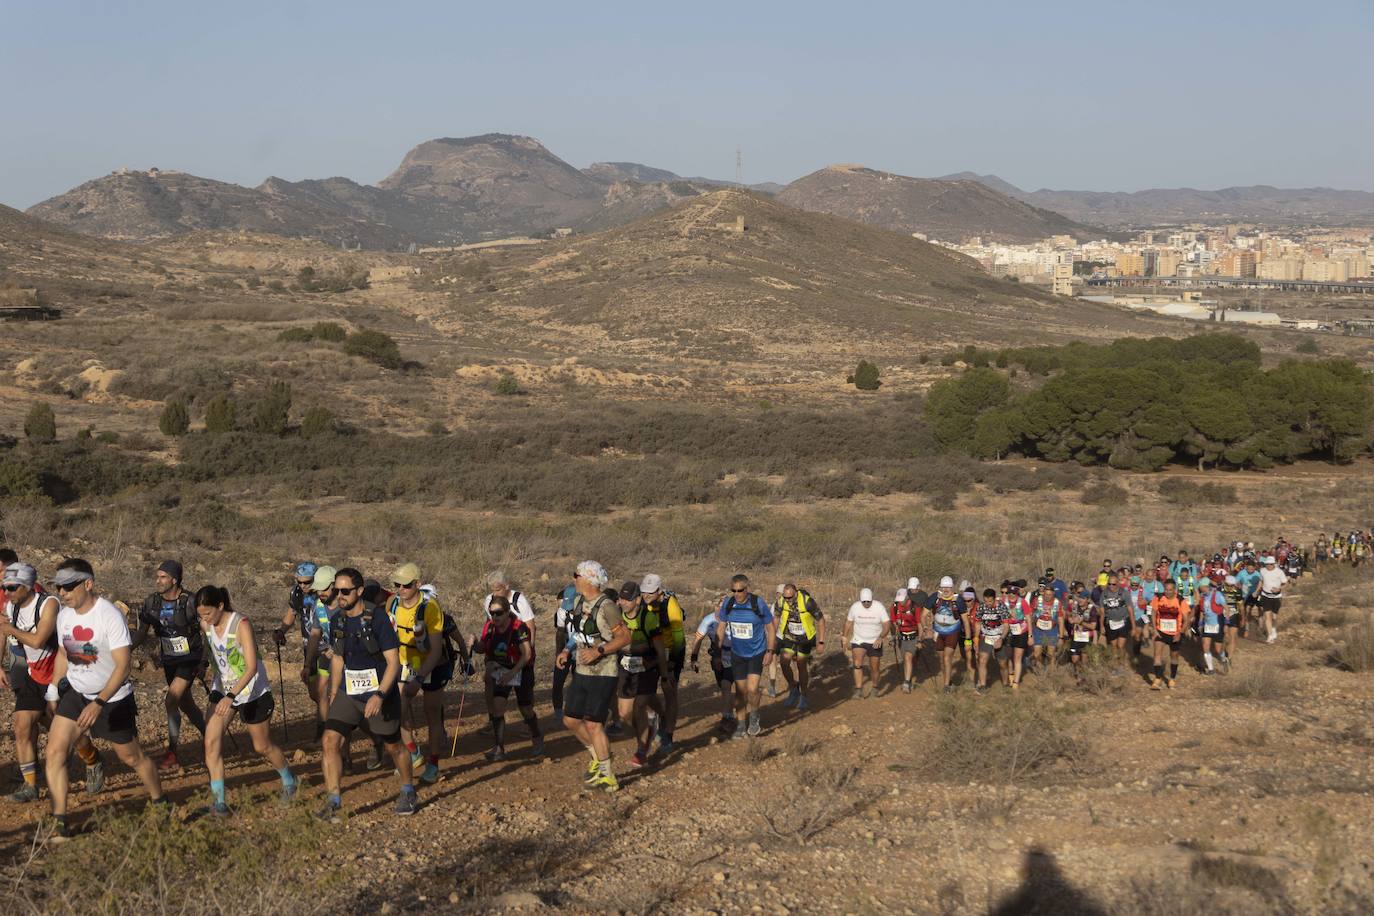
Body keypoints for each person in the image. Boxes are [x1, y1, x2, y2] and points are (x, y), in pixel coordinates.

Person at [46, 559, 168, 841]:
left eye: (68, 586)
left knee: (131, 756)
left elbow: (123, 666)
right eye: (59, 587)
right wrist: (53, 687)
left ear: (88, 583)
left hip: (112, 699)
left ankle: (161, 801)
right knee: (55, 752)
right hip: (76, 694)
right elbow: (65, 653)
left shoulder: (108, 615)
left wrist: (99, 702)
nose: (62, 593)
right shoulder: (64, 615)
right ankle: (60, 822)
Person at [317, 567, 417, 821]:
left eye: (345, 591)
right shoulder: (338, 619)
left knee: (394, 746)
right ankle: (334, 802)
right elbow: (338, 658)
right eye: (336, 590)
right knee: (329, 741)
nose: (339, 595)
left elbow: (393, 662)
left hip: (379, 693)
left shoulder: (378, 619)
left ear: (359, 591)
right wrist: (332, 692)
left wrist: (380, 695)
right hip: (349, 693)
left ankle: (407, 789)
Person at [194, 585, 296, 815]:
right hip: (223, 689)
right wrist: (203, 663)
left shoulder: (241, 625)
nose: (205, 619)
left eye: (208, 613)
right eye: (201, 615)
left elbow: (250, 667)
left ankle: (289, 780)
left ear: (220, 606)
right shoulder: (206, 625)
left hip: (252, 691)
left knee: (262, 746)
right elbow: (211, 647)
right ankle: (219, 803)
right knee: (211, 743)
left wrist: (232, 696)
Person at [558, 560, 629, 792]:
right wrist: (567, 650)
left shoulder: (607, 606)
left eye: (576, 575)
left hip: (604, 671)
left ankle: (608, 776)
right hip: (581, 669)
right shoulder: (579, 601)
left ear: (588, 579)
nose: (574, 578)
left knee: (593, 724)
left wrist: (599, 650)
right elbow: (578, 633)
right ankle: (598, 758)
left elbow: (625, 638)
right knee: (570, 719)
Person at [130, 559, 206, 772]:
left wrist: (204, 662)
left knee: (171, 700)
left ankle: (172, 753)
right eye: (157, 576)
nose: (158, 581)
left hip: (190, 659)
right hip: (170, 661)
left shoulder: (191, 601)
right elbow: (141, 632)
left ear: (174, 579)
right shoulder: (152, 602)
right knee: (186, 704)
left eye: (163, 577)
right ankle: (210, 736)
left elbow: (207, 632)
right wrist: (126, 649)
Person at [387, 563, 454, 783]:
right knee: (399, 709)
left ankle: (433, 764)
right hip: (406, 661)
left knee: (431, 712)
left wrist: (418, 678)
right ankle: (413, 752)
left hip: (431, 663)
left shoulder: (430, 607)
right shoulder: (393, 603)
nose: (400, 589)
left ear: (417, 584)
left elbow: (435, 651)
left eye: (405, 585)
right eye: (396, 584)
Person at [1, 563, 62, 802]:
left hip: (59, 675)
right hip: (34, 675)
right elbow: (3, 632)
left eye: (12, 587)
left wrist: (11, 629)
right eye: (4, 587)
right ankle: (30, 786)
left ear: (27, 586)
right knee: (21, 724)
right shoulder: (11, 607)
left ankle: (91, 758)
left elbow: (37, 641)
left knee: (63, 729)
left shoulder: (48, 604)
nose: (7, 592)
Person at [472, 594, 537, 762]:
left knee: (526, 709)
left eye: (499, 613)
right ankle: (499, 747)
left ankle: (537, 737)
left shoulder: (518, 627)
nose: (495, 617)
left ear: (508, 612)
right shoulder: (490, 627)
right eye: (491, 613)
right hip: (502, 669)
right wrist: (474, 643)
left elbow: (527, 654)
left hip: (521, 669)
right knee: (498, 706)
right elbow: (483, 648)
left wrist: (511, 673)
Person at [614, 582, 669, 768]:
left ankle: (641, 750)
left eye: (628, 599)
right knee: (624, 713)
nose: (623, 602)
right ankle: (656, 714)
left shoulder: (648, 618)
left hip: (647, 668)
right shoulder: (617, 616)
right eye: (621, 598)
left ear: (637, 600)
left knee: (639, 708)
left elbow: (660, 649)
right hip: (625, 668)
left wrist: (664, 674)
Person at [715, 574, 776, 739]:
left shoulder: (758, 603)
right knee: (740, 692)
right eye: (733, 590)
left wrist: (770, 651)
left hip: (756, 652)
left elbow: (770, 628)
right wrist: (717, 652)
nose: (736, 593)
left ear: (746, 589)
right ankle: (741, 725)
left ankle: (754, 717)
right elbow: (721, 628)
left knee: (752, 689)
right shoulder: (728, 604)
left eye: (740, 590)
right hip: (737, 653)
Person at [640, 574, 685, 750]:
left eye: (650, 593)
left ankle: (668, 734)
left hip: (670, 648)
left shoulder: (670, 605)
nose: (646, 596)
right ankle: (659, 714)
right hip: (651, 650)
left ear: (659, 591)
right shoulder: (642, 603)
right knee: (645, 689)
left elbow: (679, 637)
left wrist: (673, 660)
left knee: (669, 689)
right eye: (643, 591)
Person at [775, 582, 825, 708]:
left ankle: (804, 695)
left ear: (796, 593)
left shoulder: (808, 602)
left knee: (801, 664)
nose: (787, 600)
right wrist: (774, 636)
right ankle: (793, 688)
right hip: (789, 636)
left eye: (790, 597)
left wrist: (821, 641)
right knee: (784, 661)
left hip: (805, 638)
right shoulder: (781, 602)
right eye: (785, 597)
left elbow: (821, 620)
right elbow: (776, 617)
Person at [690, 608, 736, 736]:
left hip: (735, 658)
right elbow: (698, 639)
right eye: (719, 607)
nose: (721, 610)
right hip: (718, 658)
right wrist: (694, 658)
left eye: (724, 607)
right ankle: (730, 712)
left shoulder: (735, 618)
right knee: (723, 686)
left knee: (726, 685)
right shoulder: (708, 620)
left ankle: (727, 718)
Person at [844, 588, 889, 699]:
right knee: (857, 664)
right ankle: (858, 689)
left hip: (875, 640)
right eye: (864, 601)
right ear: (860, 600)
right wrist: (844, 636)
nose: (866, 604)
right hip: (859, 639)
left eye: (868, 601)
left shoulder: (879, 607)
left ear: (872, 600)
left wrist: (881, 637)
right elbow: (849, 622)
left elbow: (887, 624)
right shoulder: (855, 607)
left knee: (874, 667)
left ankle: (875, 687)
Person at [1148, 579, 1191, 690]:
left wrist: (1180, 633)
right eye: (1166, 590)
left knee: (1174, 656)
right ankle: (1158, 679)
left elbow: (1187, 620)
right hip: (1161, 631)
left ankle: (1172, 678)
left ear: (1175, 590)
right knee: (1157, 655)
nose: (1167, 592)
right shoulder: (1158, 598)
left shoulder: (1181, 601)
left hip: (1175, 633)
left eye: (1170, 590)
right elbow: (1152, 612)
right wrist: (1154, 629)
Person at [927, 577, 968, 692]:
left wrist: (968, 639)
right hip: (938, 632)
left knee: (947, 657)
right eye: (944, 587)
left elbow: (965, 620)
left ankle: (946, 686)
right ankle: (948, 681)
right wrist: (925, 628)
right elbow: (924, 613)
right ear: (940, 587)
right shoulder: (935, 597)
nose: (946, 589)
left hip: (953, 631)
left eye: (948, 587)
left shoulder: (958, 600)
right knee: (941, 659)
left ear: (952, 588)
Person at [550, 578, 578, 721]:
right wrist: (560, 653)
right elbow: (560, 633)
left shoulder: (588, 611)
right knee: (558, 680)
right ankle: (558, 712)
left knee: (580, 682)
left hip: (583, 650)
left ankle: (579, 711)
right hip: (567, 648)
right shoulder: (562, 612)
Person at [972, 588, 1010, 692]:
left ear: (994, 599)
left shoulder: (1002, 607)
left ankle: (1006, 684)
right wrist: (976, 638)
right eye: (985, 601)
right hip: (986, 636)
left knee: (1003, 663)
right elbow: (978, 624)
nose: (987, 604)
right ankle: (983, 686)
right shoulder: (981, 607)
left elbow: (1006, 626)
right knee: (982, 660)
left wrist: (1001, 639)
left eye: (990, 601)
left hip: (999, 636)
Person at [889, 586, 923, 693]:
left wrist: (920, 640)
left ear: (907, 598)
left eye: (902, 600)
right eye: (899, 600)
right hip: (902, 637)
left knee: (908, 657)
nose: (900, 603)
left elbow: (919, 624)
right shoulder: (894, 607)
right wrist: (893, 637)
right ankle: (908, 678)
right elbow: (893, 623)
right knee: (905, 659)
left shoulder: (915, 607)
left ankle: (906, 682)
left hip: (913, 636)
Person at [1193, 577, 1229, 675]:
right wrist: (1200, 623)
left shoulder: (1217, 594)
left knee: (1217, 649)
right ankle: (1211, 669)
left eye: (1200, 587)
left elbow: (1226, 608)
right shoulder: (1203, 597)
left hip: (1218, 623)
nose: (1200, 589)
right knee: (1205, 645)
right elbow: (1202, 611)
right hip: (1207, 624)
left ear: (1205, 586)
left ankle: (1223, 658)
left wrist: (1226, 623)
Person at [999, 581, 1031, 689]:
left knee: (1017, 657)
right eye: (1009, 593)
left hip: (1021, 632)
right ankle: (1011, 675)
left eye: (1014, 593)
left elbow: (1029, 619)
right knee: (1008, 656)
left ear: (1017, 593)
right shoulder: (1003, 601)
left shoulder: (1023, 602)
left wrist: (1030, 635)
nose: (1011, 595)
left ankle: (1016, 683)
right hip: (1008, 632)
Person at [1029, 584, 1065, 674]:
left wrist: (1061, 636)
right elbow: (1029, 615)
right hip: (1038, 630)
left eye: (1050, 594)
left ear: (1053, 594)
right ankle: (1041, 671)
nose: (1047, 596)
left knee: (1050, 652)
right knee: (1037, 653)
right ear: (1043, 593)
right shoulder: (1036, 600)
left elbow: (1060, 620)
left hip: (1051, 630)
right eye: (1046, 594)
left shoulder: (1057, 603)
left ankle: (1052, 671)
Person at [1099, 577, 1135, 667]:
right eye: (1109, 584)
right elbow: (1102, 612)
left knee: (1120, 645)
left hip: (1123, 620)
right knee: (1113, 645)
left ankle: (1121, 663)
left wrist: (1133, 626)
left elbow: (1130, 609)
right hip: (1110, 622)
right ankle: (1115, 664)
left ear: (1117, 584)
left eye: (1113, 584)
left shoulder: (1124, 593)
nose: (1111, 586)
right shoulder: (1104, 594)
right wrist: (1101, 626)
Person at [1066, 594, 1099, 679]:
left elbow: (1093, 626)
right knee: (1074, 659)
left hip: (1087, 637)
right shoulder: (1074, 606)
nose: (1080, 600)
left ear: (1087, 599)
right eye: (1079, 598)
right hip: (1076, 637)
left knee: (1084, 659)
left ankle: (1083, 678)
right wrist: (1069, 618)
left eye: (1083, 598)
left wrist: (1081, 622)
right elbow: (1066, 612)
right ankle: (1078, 673)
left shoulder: (1092, 609)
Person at [1257, 556, 1288, 644]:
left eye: (1270, 564)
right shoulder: (1262, 571)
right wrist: (1257, 591)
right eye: (1267, 564)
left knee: (1274, 616)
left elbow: (1285, 583)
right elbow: (1261, 581)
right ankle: (1270, 636)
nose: (1269, 566)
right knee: (1267, 616)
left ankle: (1273, 629)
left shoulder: (1279, 572)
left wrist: (1279, 589)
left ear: (1274, 564)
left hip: (1276, 597)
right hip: (1265, 595)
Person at [1234, 558, 1261, 638]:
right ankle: (1241, 623)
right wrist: (1239, 585)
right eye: (1248, 569)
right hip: (1242, 595)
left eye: (1252, 569)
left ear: (1254, 568)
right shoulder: (1241, 573)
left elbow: (1261, 583)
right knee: (1241, 611)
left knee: (1248, 610)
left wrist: (1257, 591)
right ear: (1246, 567)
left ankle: (1247, 629)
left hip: (1252, 595)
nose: (1250, 571)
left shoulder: (1257, 574)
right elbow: (1235, 581)